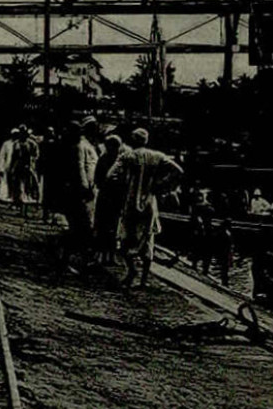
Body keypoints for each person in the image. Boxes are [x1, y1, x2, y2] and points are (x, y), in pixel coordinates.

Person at [106, 127, 184, 286]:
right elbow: (178, 171)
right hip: (150, 201)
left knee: (126, 236)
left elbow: (110, 175)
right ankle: (144, 279)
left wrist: (122, 185)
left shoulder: (128, 156)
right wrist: (163, 186)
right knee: (148, 238)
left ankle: (131, 270)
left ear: (133, 140)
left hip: (131, 200)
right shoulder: (157, 156)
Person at [65, 117, 101, 272]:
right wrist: (85, 188)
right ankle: (72, 260)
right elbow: (80, 168)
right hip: (83, 192)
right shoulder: (82, 146)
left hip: (89, 190)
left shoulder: (89, 145)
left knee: (84, 226)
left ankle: (78, 259)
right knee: (82, 226)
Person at [93, 132, 127, 265]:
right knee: (103, 226)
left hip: (115, 197)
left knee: (113, 227)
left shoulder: (121, 160)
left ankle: (111, 256)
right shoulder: (104, 159)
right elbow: (98, 178)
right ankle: (101, 255)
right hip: (107, 196)